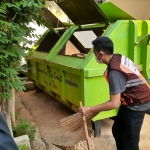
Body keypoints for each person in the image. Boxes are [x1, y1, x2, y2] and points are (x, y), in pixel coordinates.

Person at [78, 36, 150, 150]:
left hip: (138, 103)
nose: (95, 57)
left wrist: (89, 109)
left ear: (101, 53)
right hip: (130, 100)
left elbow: (114, 104)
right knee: (118, 130)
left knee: (129, 141)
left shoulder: (114, 72)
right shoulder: (118, 57)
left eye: (95, 53)